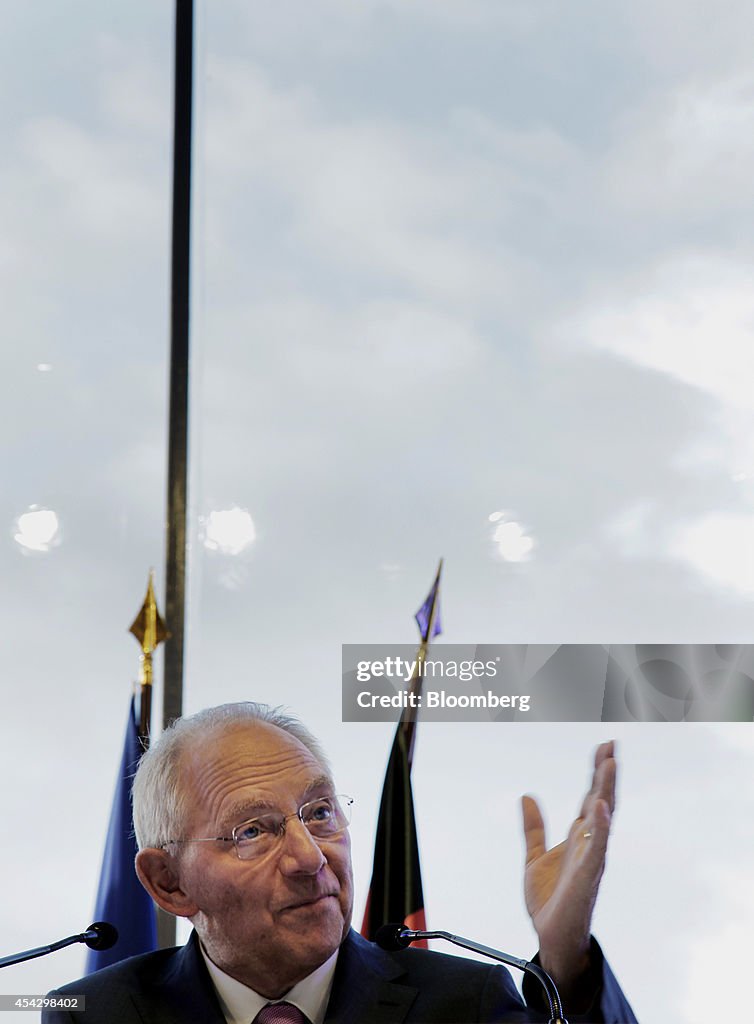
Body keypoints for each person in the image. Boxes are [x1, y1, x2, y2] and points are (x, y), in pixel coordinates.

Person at [43, 703, 637, 1023]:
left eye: (320, 812)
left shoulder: (467, 1003)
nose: (308, 857)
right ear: (168, 883)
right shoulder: (94, 1018)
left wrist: (567, 954)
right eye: (253, 830)